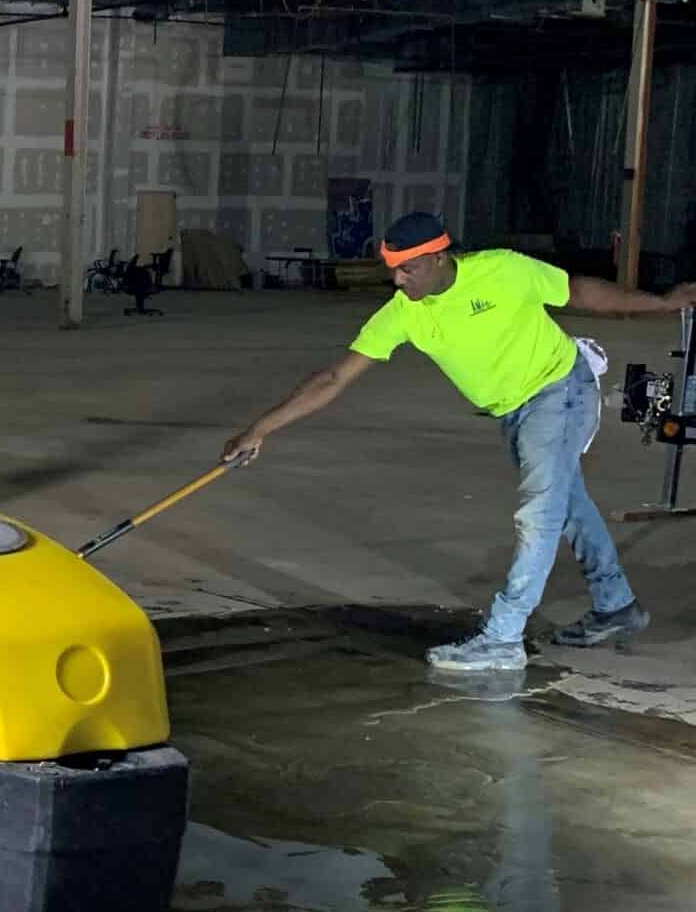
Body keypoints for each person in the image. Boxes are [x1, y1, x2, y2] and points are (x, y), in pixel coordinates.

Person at [221, 209, 696, 673]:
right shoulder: (404, 314)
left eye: (407, 269)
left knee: (540, 512)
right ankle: (616, 606)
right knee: (567, 503)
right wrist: (259, 429)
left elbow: (577, 291)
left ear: (439, 257)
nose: (398, 281)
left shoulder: (502, 270)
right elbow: (333, 377)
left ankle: (503, 637)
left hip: (560, 390)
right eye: (393, 270)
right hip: (512, 410)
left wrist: (660, 303)